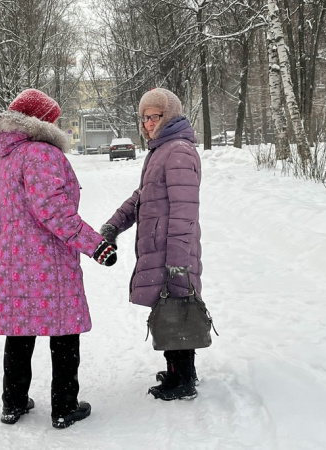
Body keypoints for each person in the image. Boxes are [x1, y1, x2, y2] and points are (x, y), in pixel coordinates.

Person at [0, 88, 117, 429]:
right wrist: (95, 245)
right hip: (47, 261)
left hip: (10, 260)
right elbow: (54, 211)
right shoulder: (41, 154)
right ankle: (64, 406)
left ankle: (13, 403)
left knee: (20, 330)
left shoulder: (7, 156)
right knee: (63, 332)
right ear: (42, 121)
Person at [100, 87, 203, 401]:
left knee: (176, 306)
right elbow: (142, 197)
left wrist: (177, 259)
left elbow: (185, 211)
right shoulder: (161, 150)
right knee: (170, 305)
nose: (147, 123)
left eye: (153, 116)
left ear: (168, 115)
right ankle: (182, 371)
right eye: (144, 117)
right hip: (162, 246)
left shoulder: (178, 151)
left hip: (173, 248)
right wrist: (114, 224)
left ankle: (182, 380)